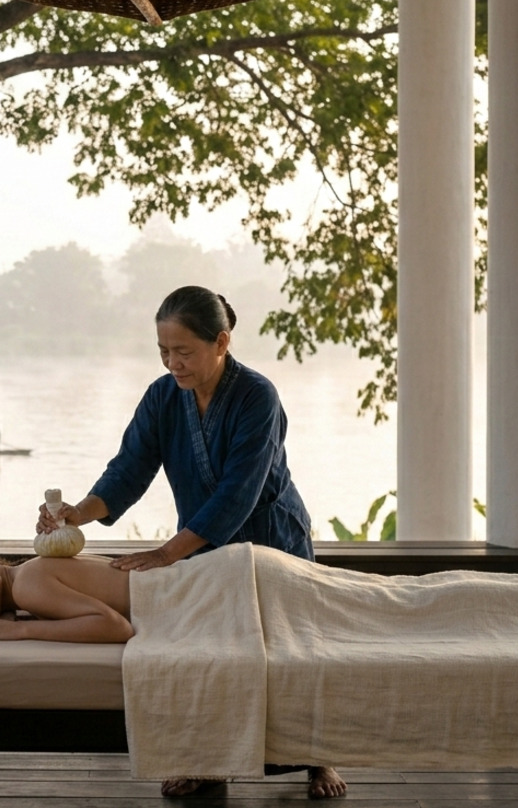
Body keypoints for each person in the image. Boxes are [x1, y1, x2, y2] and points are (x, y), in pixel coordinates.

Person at [37, 284, 341, 797]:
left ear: (221, 342)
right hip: (206, 546)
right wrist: (77, 515)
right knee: (212, 652)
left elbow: (235, 495)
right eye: (163, 352)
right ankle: (209, 760)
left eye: (184, 352)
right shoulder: (163, 397)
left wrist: (165, 555)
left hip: (271, 539)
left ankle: (317, 760)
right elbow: (127, 471)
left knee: (289, 655)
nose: (172, 363)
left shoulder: (257, 396)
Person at [0, 539, 342, 798]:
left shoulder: (28, 584)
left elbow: (114, 627)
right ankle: (297, 756)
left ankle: (316, 756)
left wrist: (17, 633)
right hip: (219, 578)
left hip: (219, 588)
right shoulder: (28, 577)